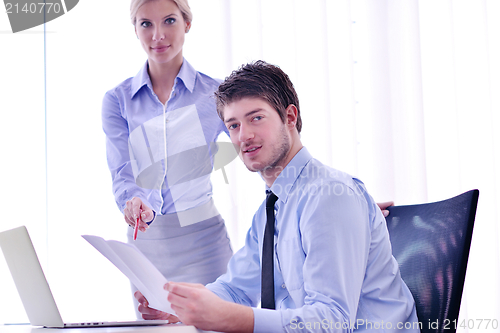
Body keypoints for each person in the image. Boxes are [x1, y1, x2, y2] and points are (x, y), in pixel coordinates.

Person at [134, 61, 420, 332]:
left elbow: (332, 320)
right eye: (233, 125)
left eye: (256, 118)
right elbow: (235, 288)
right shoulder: (270, 211)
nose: (244, 135)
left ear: (290, 117)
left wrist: (231, 318)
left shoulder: (330, 197)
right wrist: (179, 306)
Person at [101, 0, 233, 314]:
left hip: (204, 244)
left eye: (169, 21)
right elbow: (122, 171)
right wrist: (133, 201)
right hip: (146, 250)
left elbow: (266, 156)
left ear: (187, 23)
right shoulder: (118, 101)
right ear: (135, 29)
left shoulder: (216, 94)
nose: (158, 34)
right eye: (146, 24)